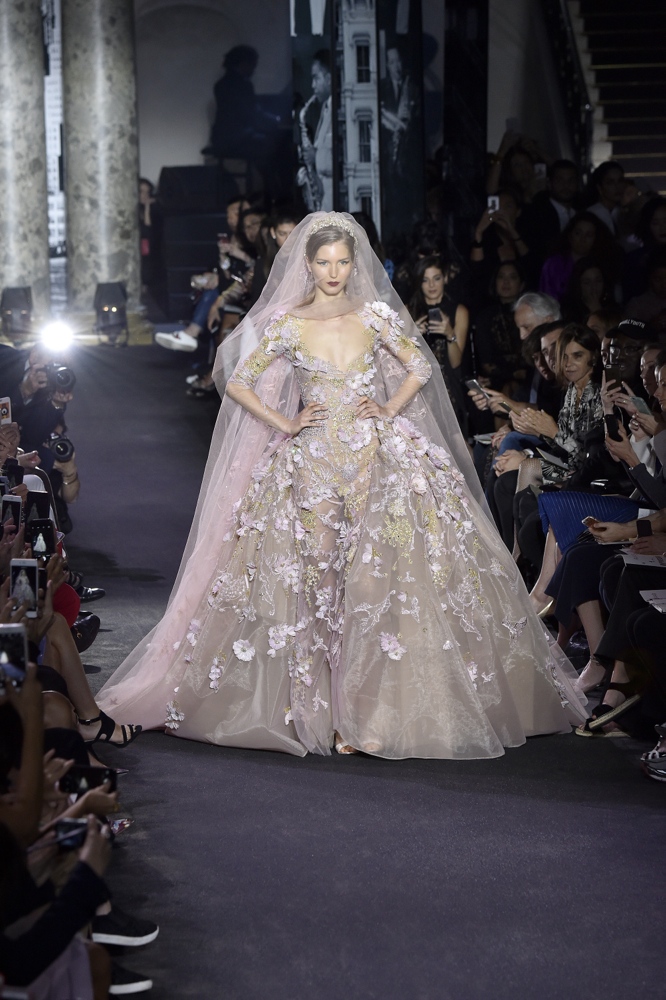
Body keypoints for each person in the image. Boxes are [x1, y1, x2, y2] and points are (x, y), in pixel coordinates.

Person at [97, 213, 586, 759]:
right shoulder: (288, 322)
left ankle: (368, 709)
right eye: (324, 262)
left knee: (378, 581)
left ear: (355, 263)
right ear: (308, 265)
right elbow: (234, 379)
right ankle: (320, 708)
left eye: (343, 261)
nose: (333, 271)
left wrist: (389, 408)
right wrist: (285, 424)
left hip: (378, 456)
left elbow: (419, 366)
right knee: (319, 580)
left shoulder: (374, 314)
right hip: (311, 465)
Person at [297, 51, 333, 212]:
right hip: (323, 194)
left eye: (316, 78)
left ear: (329, 78)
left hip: (331, 195)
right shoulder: (326, 108)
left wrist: (314, 155)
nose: (313, 85)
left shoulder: (337, 110)